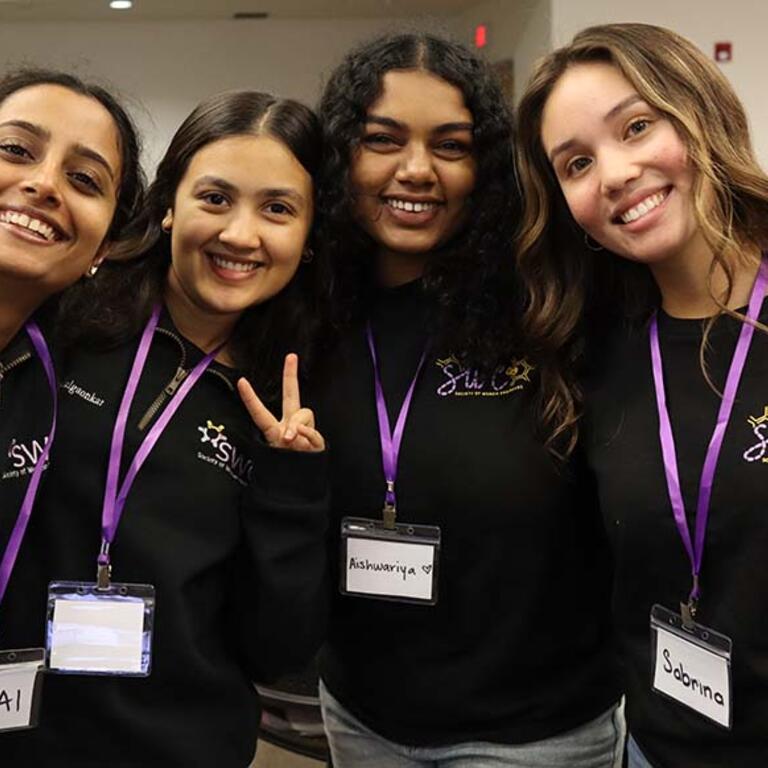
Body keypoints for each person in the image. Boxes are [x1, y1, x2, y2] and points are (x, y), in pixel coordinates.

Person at [312, 32, 623, 768]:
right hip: (362, 717)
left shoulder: (552, 298)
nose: (416, 170)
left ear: (486, 165)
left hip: (535, 735)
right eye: (381, 140)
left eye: (451, 145)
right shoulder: (304, 307)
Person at [1, 90, 328, 767]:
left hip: (180, 745)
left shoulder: (296, 396)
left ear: (309, 233)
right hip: (25, 733)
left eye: (277, 209)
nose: (240, 234)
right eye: (215, 198)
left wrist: (290, 483)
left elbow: (281, 648)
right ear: (170, 203)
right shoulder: (64, 322)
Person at [516, 22, 768, 768]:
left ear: (699, 111)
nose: (616, 173)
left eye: (636, 127)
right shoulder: (594, 351)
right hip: (658, 748)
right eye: (577, 163)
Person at [0, 68, 144, 652]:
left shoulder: (50, 378)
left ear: (104, 247)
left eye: (84, 179)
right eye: (15, 149)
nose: (44, 185)